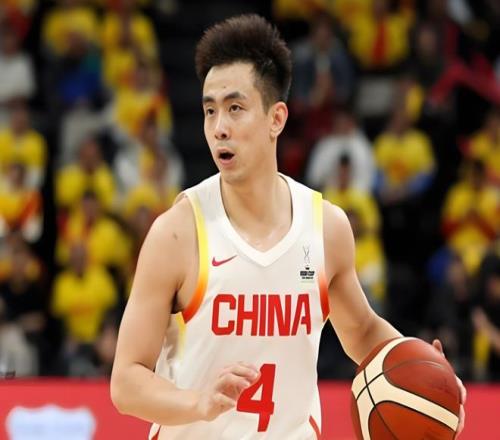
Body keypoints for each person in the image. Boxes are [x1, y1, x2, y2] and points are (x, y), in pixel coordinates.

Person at [110, 14, 465, 439]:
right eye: (209, 111)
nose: (219, 128)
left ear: (276, 119)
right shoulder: (176, 233)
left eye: (235, 108)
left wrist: (431, 376)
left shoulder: (326, 227)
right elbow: (126, 382)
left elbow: (363, 331)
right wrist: (198, 403)